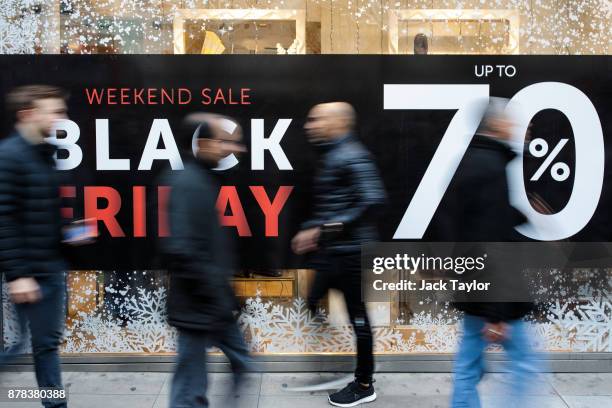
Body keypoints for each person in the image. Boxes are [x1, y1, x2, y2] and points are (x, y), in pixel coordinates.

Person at [442, 98, 538, 408]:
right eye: (511, 121)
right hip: (493, 293)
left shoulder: (471, 162)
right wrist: (496, 313)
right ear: (496, 125)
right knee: (525, 364)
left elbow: (474, 225)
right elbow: (490, 240)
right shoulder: (491, 168)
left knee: (468, 366)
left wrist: (519, 216)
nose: (517, 128)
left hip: (474, 287)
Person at [292, 102, 386, 407]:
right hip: (335, 253)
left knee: (358, 317)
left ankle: (364, 383)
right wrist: (313, 230)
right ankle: (322, 326)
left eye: (316, 120)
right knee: (313, 299)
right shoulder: (334, 153)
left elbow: (373, 201)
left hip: (350, 254)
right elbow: (331, 206)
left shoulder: (353, 155)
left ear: (337, 123)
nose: (310, 125)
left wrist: (321, 231)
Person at [159, 113, 250, 408]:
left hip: (210, 300)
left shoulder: (202, 178)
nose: (236, 149)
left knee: (242, 362)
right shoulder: (188, 183)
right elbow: (183, 250)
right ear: (207, 144)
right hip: (200, 303)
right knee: (190, 387)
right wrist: (218, 295)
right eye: (227, 142)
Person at [0, 85, 70, 408]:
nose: (61, 117)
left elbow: (44, 210)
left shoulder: (45, 152)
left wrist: (69, 232)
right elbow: (5, 219)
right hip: (32, 273)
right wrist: (18, 274)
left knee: (44, 344)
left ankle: (54, 403)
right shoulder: (9, 156)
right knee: (28, 347)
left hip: (50, 268)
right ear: (28, 114)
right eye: (53, 111)